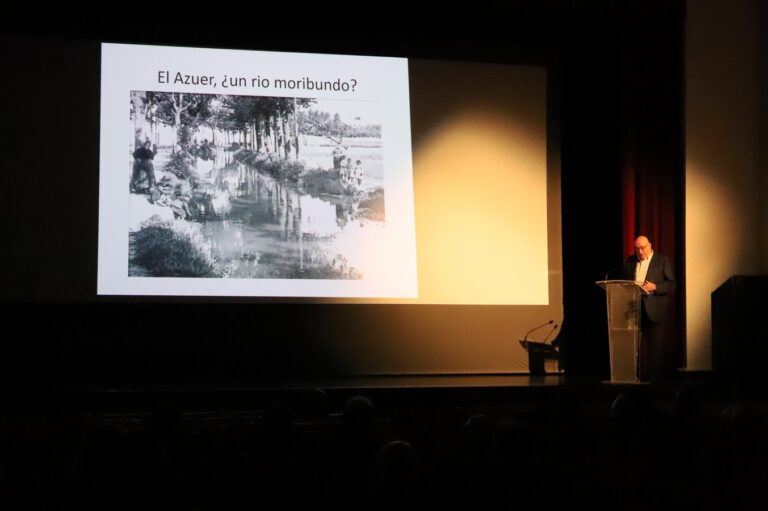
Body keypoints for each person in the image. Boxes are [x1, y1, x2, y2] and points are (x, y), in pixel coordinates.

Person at [621, 235, 676, 381]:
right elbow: (624, 284)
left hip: (655, 310)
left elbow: (672, 284)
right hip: (634, 310)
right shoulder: (630, 262)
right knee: (633, 348)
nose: (640, 251)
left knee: (655, 350)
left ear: (650, 245)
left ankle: (652, 383)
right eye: (637, 249)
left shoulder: (662, 260)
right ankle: (634, 378)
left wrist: (655, 287)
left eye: (643, 248)